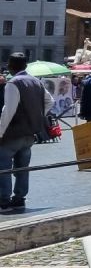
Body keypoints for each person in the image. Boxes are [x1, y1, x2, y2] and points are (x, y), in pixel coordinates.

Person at [0, 54, 48, 214]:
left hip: (13, 133)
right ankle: (19, 199)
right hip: (30, 133)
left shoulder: (13, 83)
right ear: (25, 66)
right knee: (23, 167)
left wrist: (0, 133)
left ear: (11, 66)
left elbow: (8, 111)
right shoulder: (37, 82)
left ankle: (4, 201)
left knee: (3, 167)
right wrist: (36, 116)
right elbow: (50, 101)